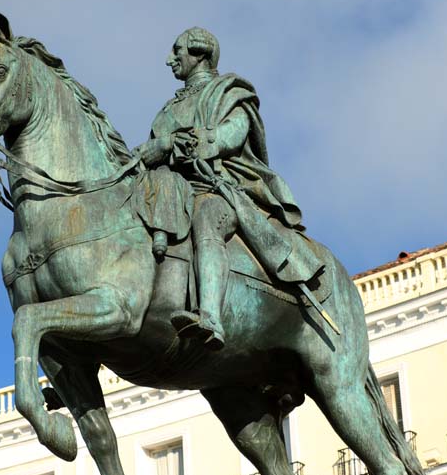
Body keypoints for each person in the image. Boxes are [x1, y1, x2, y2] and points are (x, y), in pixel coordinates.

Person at [134, 27, 322, 350]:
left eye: (177, 51)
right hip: (170, 193)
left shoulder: (230, 95)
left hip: (219, 190)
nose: (169, 60)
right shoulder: (166, 111)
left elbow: (228, 138)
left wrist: (170, 146)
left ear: (200, 53)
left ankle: (210, 317)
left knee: (206, 218)